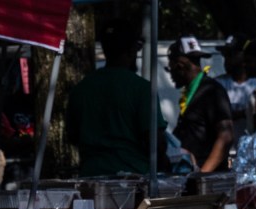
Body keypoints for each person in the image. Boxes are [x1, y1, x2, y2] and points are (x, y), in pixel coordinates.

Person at [65, 18, 168, 176]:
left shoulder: (81, 89)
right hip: (133, 182)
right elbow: (155, 142)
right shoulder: (142, 89)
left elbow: (72, 136)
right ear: (132, 49)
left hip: (91, 180)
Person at [167, 37, 234, 173]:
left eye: (170, 68)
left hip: (206, 181)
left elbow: (226, 135)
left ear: (180, 65)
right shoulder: (194, 91)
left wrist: (203, 175)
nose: (171, 74)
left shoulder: (211, 91)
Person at [214, 35, 256, 140]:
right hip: (226, 151)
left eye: (231, 54)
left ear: (245, 56)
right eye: (225, 55)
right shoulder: (217, 84)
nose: (226, 60)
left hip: (253, 150)